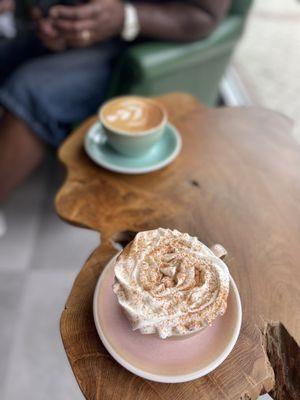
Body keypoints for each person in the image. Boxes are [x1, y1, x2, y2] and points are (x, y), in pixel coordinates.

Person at [0, 0, 231, 200]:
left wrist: (125, 16)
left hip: (139, 44)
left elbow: (203, 15)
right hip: (82, 24)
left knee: (31, 91)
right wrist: (52, 14)